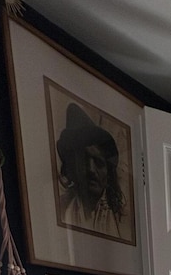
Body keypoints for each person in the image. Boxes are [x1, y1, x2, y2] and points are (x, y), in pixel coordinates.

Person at [56, 103, 132, 241]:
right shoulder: (60, 209)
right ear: (71, 167)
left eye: (98, 162)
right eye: (84, 161)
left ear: (109, 173)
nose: (91, 169)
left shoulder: (123, 221)